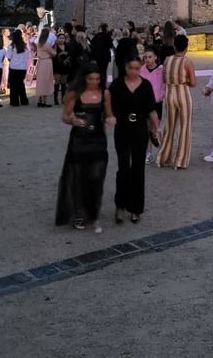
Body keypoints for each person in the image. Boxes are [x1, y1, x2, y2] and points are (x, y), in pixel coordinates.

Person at [55, 63, 114, 232]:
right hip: (79, 140)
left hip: (98, 139)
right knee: (78, 177)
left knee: (96, 176)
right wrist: (72, 120)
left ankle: (92, 210)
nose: (94, 82)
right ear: (84, 79)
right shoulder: (74, 94)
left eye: (97, 79)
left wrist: (110, 119)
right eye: (91, 79)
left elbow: (109, 114)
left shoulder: (105, 93)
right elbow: (65, 116)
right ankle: (79, 213)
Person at [109, 55, 159, 224]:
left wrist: (157, 128)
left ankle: (135, 208)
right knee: (123, 168)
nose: (134, 71)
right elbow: (108, 105)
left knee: (138, 169)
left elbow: (151, 109)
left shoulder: (145, 86)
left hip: (139, 129)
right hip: (122, 129)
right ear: (125, 68)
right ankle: (120, 205)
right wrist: (108, 117)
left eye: (137, 68)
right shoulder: (117, 85)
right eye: (131, 68)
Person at [157, 34, 197, 169]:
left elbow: (164, 79)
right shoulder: (187, 62)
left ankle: (163, 158)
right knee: (184, 127)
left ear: (174, 46)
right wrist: (185, 81)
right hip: (183, 93)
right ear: (186, 47)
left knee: (169, 126)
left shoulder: (167, 60)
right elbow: (193, 83)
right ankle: (180, 160)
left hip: (170, 94)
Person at [140, 48, 164, 164]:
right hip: (145, 103)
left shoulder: (161, 69)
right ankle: (148, 153)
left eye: (150, 57)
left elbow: (166, 84)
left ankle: (162, 152)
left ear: (155, 57)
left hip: (157, 103)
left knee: (156, 128)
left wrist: (162, 95)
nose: (147, 59)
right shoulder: (141, 70)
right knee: (146, 129)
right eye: (145, 57)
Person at [6, 28, 30, 106]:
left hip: (14, 68)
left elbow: (8, 57)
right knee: (21, 84)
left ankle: (14, 101)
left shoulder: (11, 47)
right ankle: (24, 100)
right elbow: (27, 57)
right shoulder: (25, 46)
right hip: (22, 68)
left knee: (13, 85)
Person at [35, 27, 56, 107]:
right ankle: (44, 101)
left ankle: (39, 99)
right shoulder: (47, 44)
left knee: (40, 81)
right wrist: (55, 47)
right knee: (46, 81)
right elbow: (53, 53)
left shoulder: (38, 43)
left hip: (40, 62)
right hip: (47, 62)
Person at [90, 23, 113, 88]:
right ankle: (103, 85)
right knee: (104, 70)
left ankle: (98, 84)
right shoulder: (107, 36)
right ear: (106, 28)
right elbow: (110, 45)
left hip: (98, 56)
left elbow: (92, 43)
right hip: (105, 56)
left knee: (99, 70)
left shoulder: (97, 35)